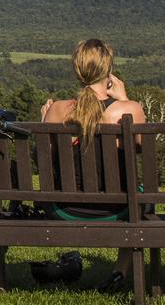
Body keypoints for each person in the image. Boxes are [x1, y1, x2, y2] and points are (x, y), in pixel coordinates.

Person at [40, 38, 147, 291]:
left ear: (77, 70)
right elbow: (139, 148)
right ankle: (119, 272)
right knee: (139, 198)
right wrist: (125, 99)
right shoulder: (127, 110)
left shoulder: (57, 110)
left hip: (64, 208)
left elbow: (43, 158)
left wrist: (43, 119)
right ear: (108, 72)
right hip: (119, 208)